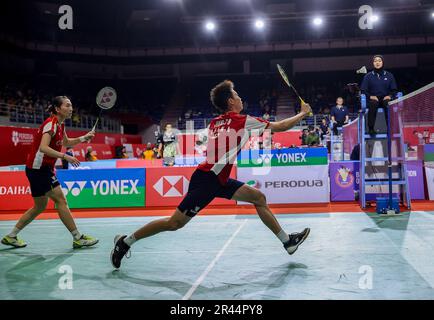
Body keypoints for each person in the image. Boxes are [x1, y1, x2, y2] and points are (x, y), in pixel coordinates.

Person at [110, 80, 312, 269]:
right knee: (173, 223)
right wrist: (302, 113)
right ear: (231, 101)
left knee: (258, 198)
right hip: (207, 181)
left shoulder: (215, 122)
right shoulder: (242, 121)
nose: (241, 98)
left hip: (218, 179)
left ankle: (288, 242)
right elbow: (281, 127)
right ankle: (125, 242)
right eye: (237, 95)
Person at [1, 96, 98, 249]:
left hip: (39, 169)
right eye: (67, 105)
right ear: (58, 109)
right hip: (39, 169)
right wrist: (65, 156)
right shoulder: (50, 125)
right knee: (61, 200)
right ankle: (78, 237)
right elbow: (43, 148)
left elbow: (65, 143)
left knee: (39, 206)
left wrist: (84, 137)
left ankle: (11, 236)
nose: (71, 108)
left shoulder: (60, 124)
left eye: (71, 105)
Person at [361, 55, 398, 135]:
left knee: (388, 103)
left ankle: (390, 128)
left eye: (379, 60)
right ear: (373, 63)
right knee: (373, 103)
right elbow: (363, 90)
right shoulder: (368, 76)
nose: (377, 62)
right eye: (375, 61)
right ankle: (371, 129)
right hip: (373, 99)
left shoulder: (389, 75)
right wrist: (370, 96)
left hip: (385, 98)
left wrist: (390, 96)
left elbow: (394, 90)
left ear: (382, 62)